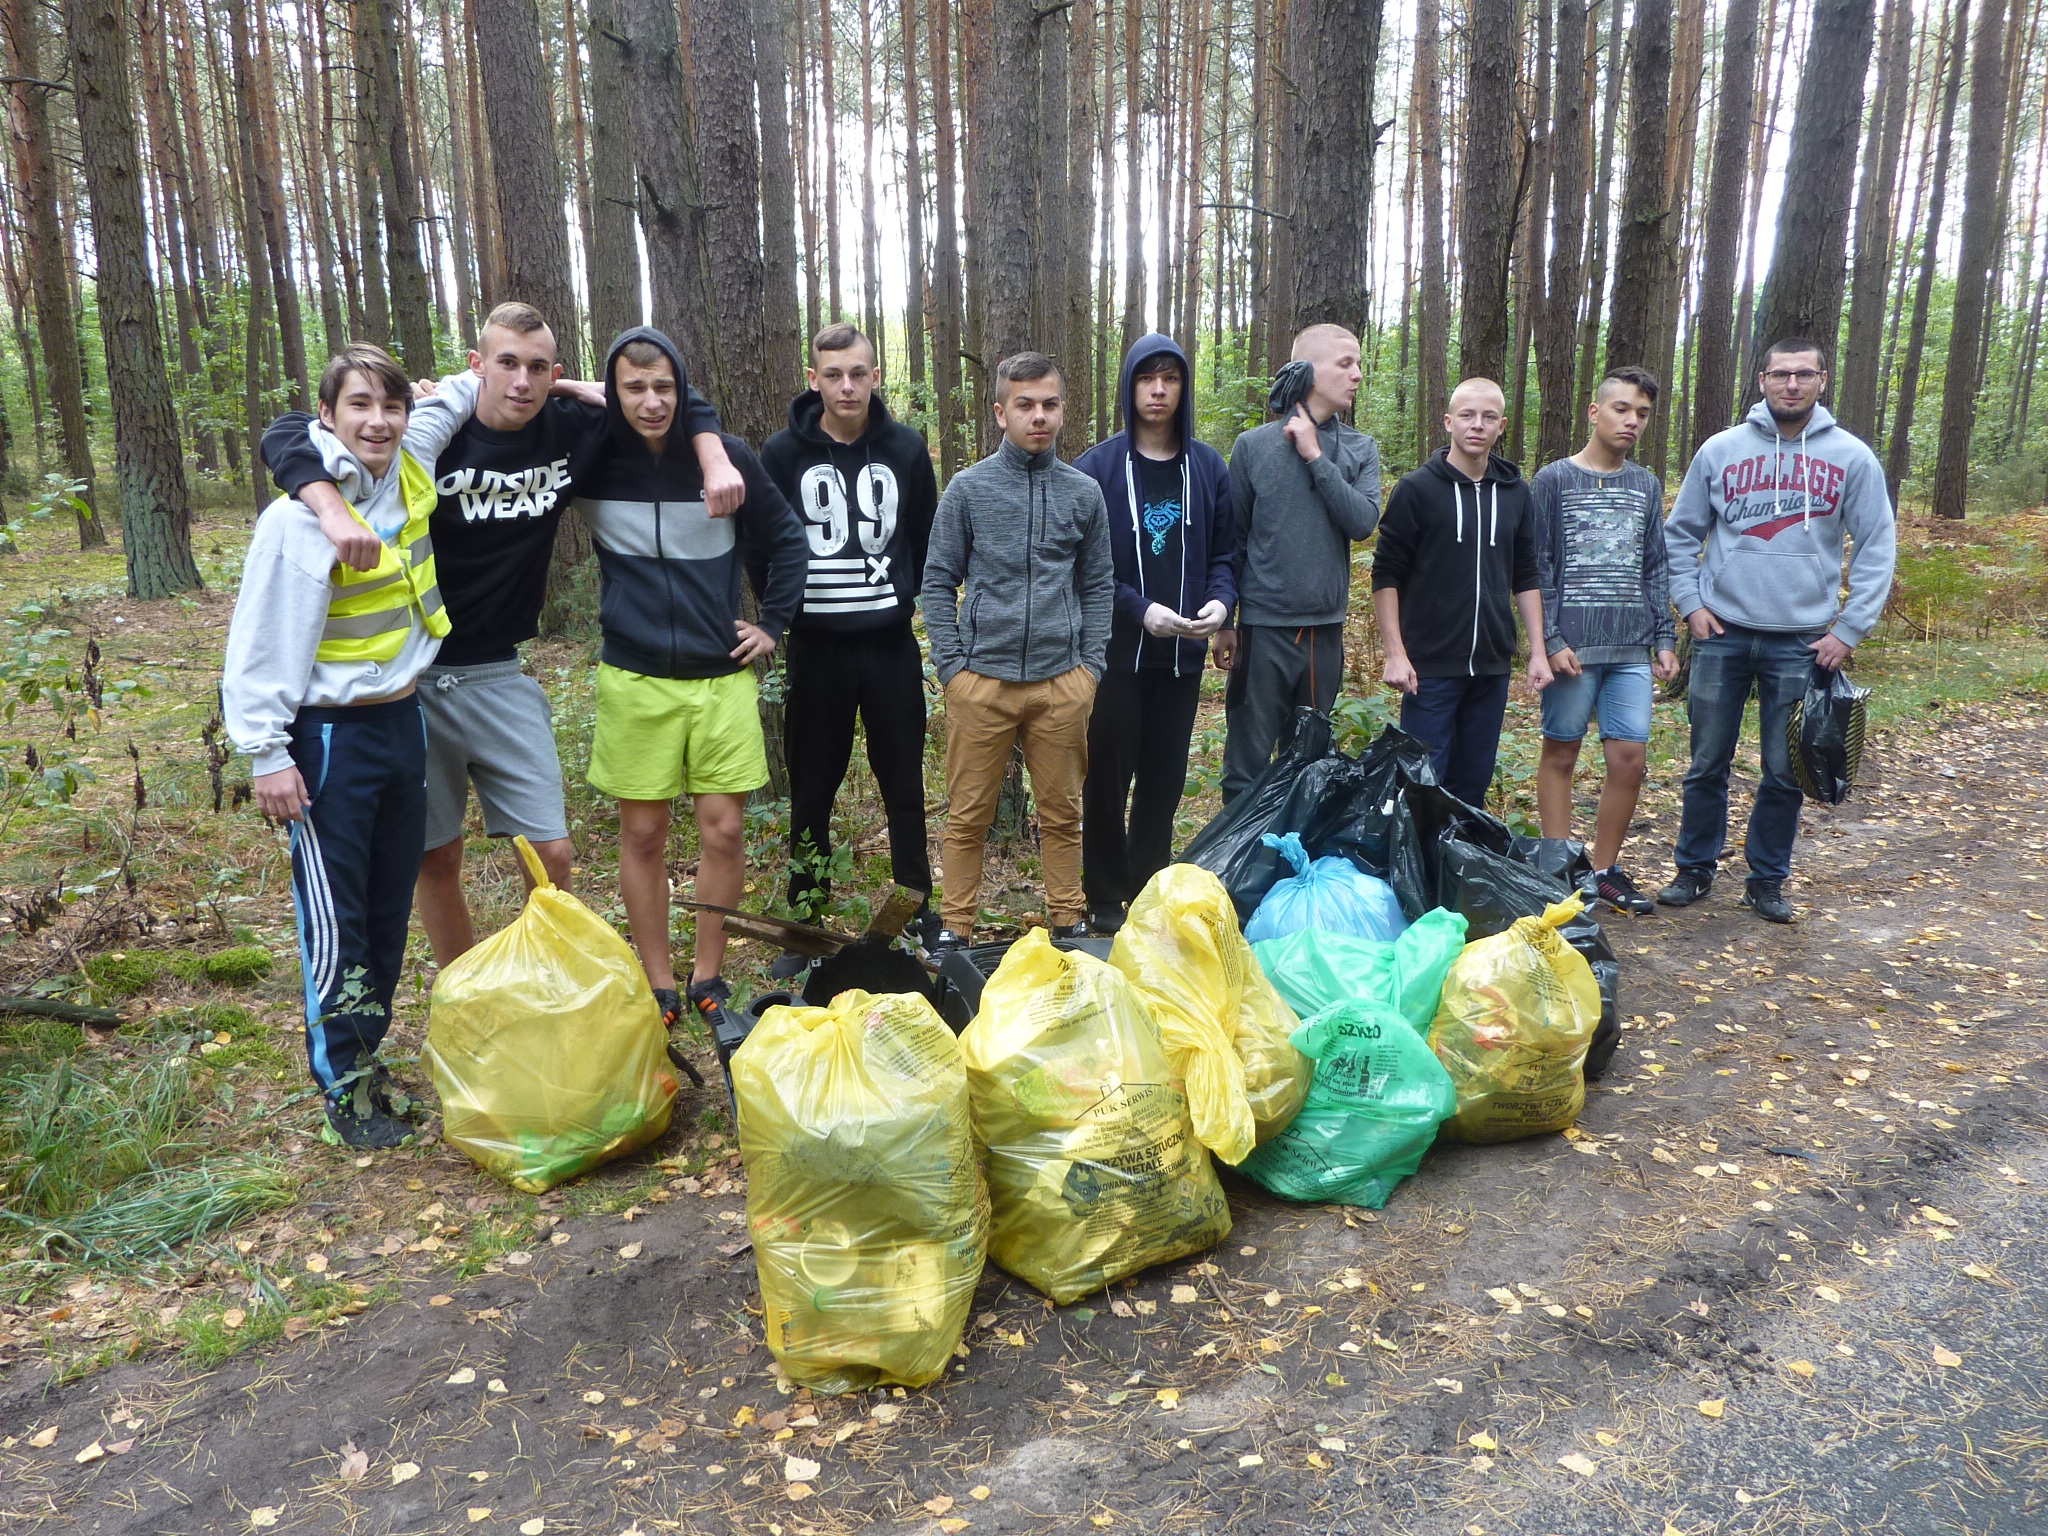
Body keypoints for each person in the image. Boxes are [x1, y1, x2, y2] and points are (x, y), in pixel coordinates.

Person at [260, 302, 743, 973]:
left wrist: (707, 454)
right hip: (414, 677)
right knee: (436, 855)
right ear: (476, 365)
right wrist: (331, 507)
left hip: (500, 672)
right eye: (507, 363)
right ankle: (465, 991)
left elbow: (669, 400)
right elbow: (289, 431)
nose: (522, 381)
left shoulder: (571, 428)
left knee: (552, 853)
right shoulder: (430, 431)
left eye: (538, 368)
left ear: (555, 373)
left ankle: (549, 985)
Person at [225, 346, 467, 1148]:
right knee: (338, 916)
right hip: (330, 737)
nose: (378, 421)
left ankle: (372, 1061)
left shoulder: (410, 473)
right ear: (324, 417)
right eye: (358, 405)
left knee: (388, 904)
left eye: (391, 406)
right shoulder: (295, 521)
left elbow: (472, 388)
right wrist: (267, 753)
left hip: (403, 723)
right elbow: (259, 642)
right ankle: (345, 1085)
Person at [580, 328, 809, 1034]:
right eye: (634, 388)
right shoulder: (591, 459)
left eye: (664, 387)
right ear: (614, 392)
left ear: (683, 390)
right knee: (644, 833)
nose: (651, 402)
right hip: (634, 675)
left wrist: (771, 624)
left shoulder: (727, 458)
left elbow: (788, 538)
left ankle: (707, 974)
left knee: (726, 830)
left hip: (720, 676)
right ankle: (657, 981)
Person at [1658, 337, 1897, 923]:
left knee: (1786, 769)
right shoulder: (1720, 450)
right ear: (1762, 379)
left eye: (1803, 375)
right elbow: (1680, 534)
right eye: (1781, 374)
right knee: (1706, 761)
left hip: (1803, 641)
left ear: (1822, 380)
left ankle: (1767, 880)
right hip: (1721, 632)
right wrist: (1690, 604)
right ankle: (1694, 869)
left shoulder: (1852, 457)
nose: (1792, 384)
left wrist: (1850, 628)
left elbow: (1876, 545)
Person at [756, 322, 939, 953]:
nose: (847, 386)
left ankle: (916, 907)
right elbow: (762, 543)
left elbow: (925, 532)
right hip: (817, 648)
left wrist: (903, 592)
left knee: (904, 785)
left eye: (859, 373)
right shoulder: (782, 454)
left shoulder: (906, 449)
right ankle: (806, 918)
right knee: (812, 788)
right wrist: (786, 611)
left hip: (889, 644)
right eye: (833, 375)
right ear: (814, 379)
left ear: (876, 376)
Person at [921, 352, 1112, 951]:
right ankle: (956, 928)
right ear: (1001, 413)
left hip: (1062, 683)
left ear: (1063, 410)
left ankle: (1068, 921)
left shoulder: (1083, 493)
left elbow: (1098, 584)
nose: (1039, 417)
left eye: (1050, 405)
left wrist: (1090, 668)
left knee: (1063, 812)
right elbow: (937, 579)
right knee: (967, 814)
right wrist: (953, 669)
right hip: (983, 682)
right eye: (1025, 405)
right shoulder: (968, 489)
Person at [1072, 333, 1234, 933]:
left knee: (1164, 782)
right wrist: (1139, 611)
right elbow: (1085, 567)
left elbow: (1225, 552)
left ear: (1183, 388)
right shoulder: (1097, 469)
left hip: (1183, 658)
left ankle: (1147, 891)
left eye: (1170, 378)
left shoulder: (1208, 467)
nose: (1159, 390)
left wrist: (1222, 603)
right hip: (1116, 655)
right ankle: (1104, 896)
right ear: (1129, 387)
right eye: (1147, 378)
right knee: (1107, 779)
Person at [1533, 366, 1680, 914]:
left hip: (1631, 647)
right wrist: (1549, 638)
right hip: (1572, 647)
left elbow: (1654, 565)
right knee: (1561, 751)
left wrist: (1664, 635)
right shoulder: (1553, 480)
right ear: (1595, 412)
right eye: (1621, 409)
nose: (1631, 421)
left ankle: (1603, 871)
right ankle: (1558, 869)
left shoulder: (1645, 484)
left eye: (1642, 413)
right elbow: (1538, 564)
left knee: (1629, 758)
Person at [1217, 323, 1381, 804]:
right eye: (1345, 363)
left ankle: (1294, 852)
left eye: (1358, 364)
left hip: (1323, 634)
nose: (1357, 374)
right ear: (1307, 371)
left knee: (1307, 765)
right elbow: (1233, 540)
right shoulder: (1254, 446)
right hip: (1262, 631)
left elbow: (1362, 522)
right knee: (1245, 769)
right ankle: (1239, 853)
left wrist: (1313, 455)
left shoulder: (1360, 448)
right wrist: (1226, 622)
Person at [1371, 377, 1552, 808]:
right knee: (1422, 784)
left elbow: (1525, 574)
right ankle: (1416, 852)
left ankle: (1461, 850)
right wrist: (1395, 653)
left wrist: (1538, 652)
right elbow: (1386, 574)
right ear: (1449, 422)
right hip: (1429, 666)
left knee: (1473, 783)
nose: (1477, 425)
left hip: (1491, 664)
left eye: (1489, 417)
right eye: (1467, 415)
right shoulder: (1416, 489)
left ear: (1502, 426)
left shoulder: (1515, 493)